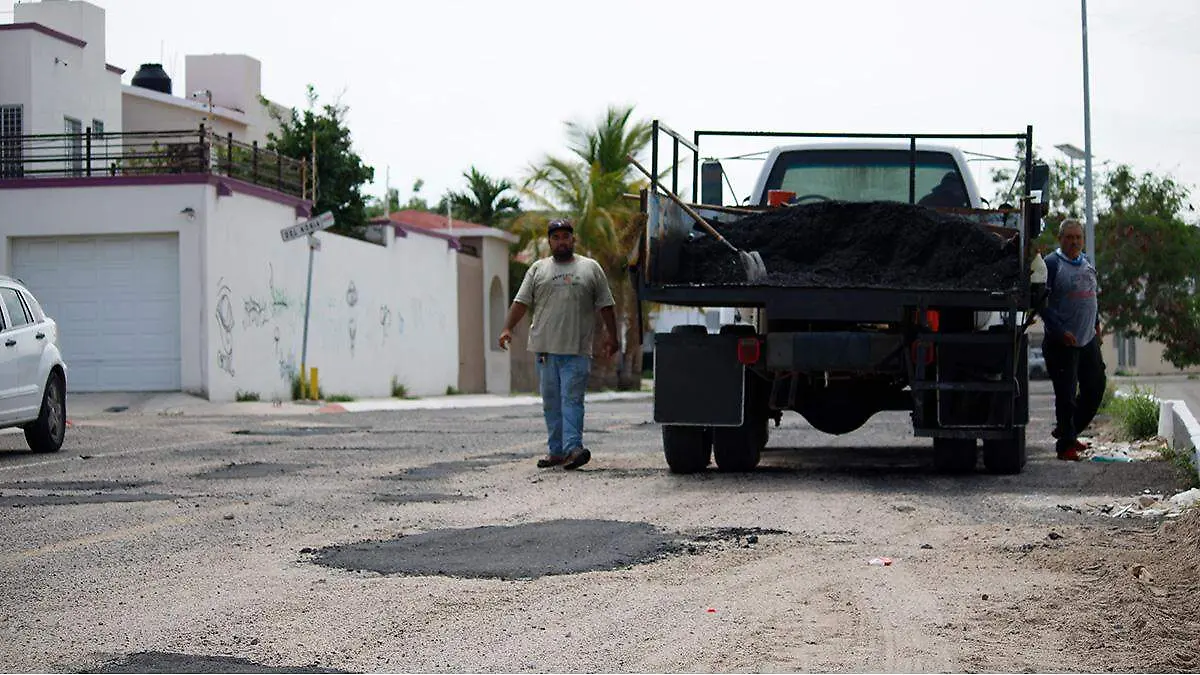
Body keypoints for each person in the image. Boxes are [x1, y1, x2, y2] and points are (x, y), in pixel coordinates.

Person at [497, 218, 618, 470]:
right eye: (556, 237)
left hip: (576, 350)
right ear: (549, 242)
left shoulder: (590, 268)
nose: (561, 241)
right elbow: (521, 302)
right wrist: (507, 327)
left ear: (573, 239)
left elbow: (606, 305)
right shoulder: (538, 269)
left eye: (565, 237)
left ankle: (573, 448)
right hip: (545, 350)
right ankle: (556, 452)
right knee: (551, 403)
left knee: (571, 400)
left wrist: (613, 336)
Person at [1041, 218, 1106, 461]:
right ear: (1060, 239)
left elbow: (1090, 296)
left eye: (1078, 237)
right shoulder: (1052, 264)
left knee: (1095, 386)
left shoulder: (1086, 261)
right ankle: (1065, 446)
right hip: (1063, 342)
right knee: (1066, 394)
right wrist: (1059, 331)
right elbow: (1041, 304)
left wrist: (1096, 325)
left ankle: (1068, 430)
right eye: (1069, 237)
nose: (1074, 242)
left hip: (1088, 337)